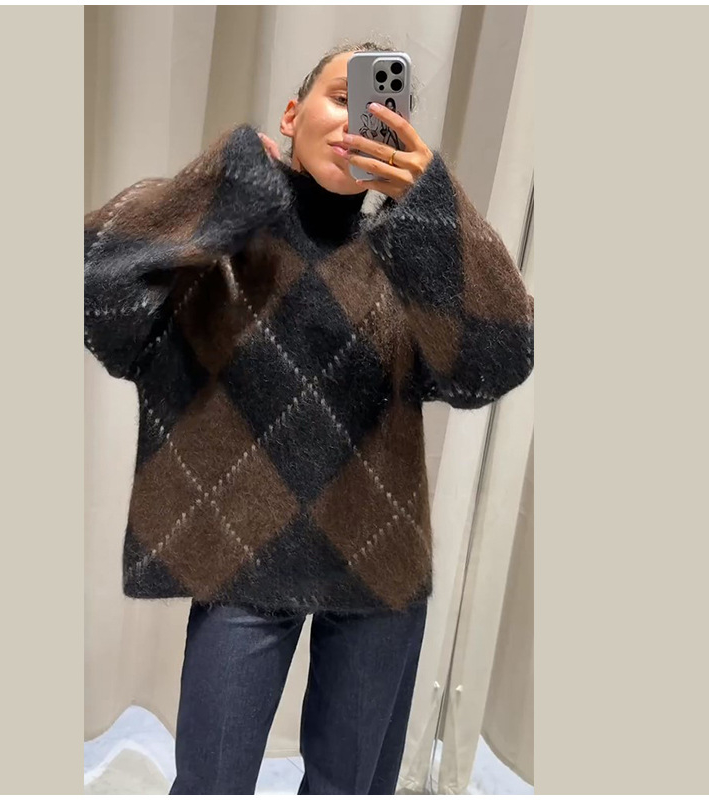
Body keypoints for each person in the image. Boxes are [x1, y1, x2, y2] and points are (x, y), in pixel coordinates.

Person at [84, 38, 534, 796]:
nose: (361, 120)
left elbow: (498, 359)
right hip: (244, 555)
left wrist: (434, 209)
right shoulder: (228, 246)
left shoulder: (407, 259)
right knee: (211, 783)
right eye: (343, 97)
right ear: (292, 114)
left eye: (382, 109)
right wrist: (223, 181)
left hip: (380, 560)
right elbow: (95, 286)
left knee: (351, 787)